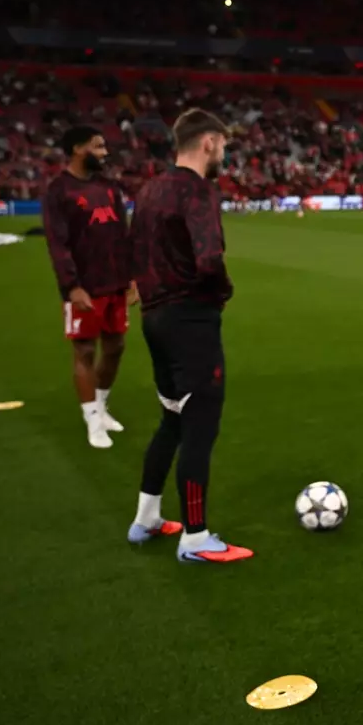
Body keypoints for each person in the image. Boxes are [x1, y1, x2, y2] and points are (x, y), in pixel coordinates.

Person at [129, 109, 251, 562]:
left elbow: (133, 250)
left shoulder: (150, 189)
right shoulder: (196, 191)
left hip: (155, 319)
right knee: (200, 424)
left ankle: (146, 517)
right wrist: (223, 292)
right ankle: (196, 538)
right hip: (191, 320)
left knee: (173, 420)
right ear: (208, 142)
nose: (225, 152)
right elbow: (209, 259)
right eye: (223, 144)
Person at [42, 124, 137, 449]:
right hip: (84, 287)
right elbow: (58, 244)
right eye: (98, 147)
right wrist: (71, 286)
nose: (104, 152)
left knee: (116, 348)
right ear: (78, 149)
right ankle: (92, 420)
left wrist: (133, 278)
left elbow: (124, 236)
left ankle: (102, 406)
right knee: (84, 350)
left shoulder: (110, 187)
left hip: (115, 284)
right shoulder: (59, 191)